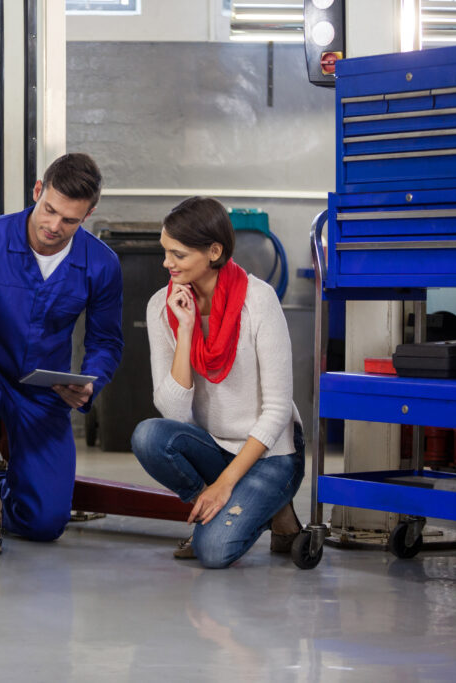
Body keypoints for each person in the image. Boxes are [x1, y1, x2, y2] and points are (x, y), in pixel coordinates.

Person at [0, 153, 124, 557]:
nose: (54, 227)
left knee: (45, 523)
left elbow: (106, 342)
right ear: (38, 191)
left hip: (44, 388)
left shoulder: (101, 265)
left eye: (69, 220)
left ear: (88, 214)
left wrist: (89, 382)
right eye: (49, 210)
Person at [131, 196, 304, 569]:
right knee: (148, 436)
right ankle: (219, 504)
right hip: (214, 444)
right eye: (165, 252)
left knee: (213, 552)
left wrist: (225, 484)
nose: (166, 263)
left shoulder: (258, 301)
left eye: (178, 255)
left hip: (270, 453)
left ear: (213, 251)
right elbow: (173, 410)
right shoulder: (163, 306)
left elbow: (276, 412)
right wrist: (187, 328)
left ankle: (273, 506)